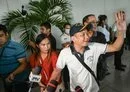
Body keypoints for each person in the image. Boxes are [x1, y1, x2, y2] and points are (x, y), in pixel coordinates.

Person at [46, 11, 126, 92]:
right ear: (73, 38)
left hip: (94, 89)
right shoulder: (65, 53)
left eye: (87, 34)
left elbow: (115, 47)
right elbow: (57, 71)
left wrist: (121, 31)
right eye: (82, 35)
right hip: (77, 90)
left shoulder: (94, 46)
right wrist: (48, 88)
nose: (87, 37)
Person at [0, 24, 29, 92]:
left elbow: (24, 64)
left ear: (6, 34)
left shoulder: (16, 47)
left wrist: (13, 74)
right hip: (5, 78)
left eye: (1, 35)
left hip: (18, 79)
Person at [60, 23, 71, 90]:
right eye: (67, 28)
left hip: (72, 54)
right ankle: (66, 82)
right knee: (66, 70)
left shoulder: (72, 34)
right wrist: (71, 42)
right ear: (64, 29)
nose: (68, 29)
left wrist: (69, 43)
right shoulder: (62, 36)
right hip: (66, 55)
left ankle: (70, 80)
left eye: (69, 28)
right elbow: (64, 45)